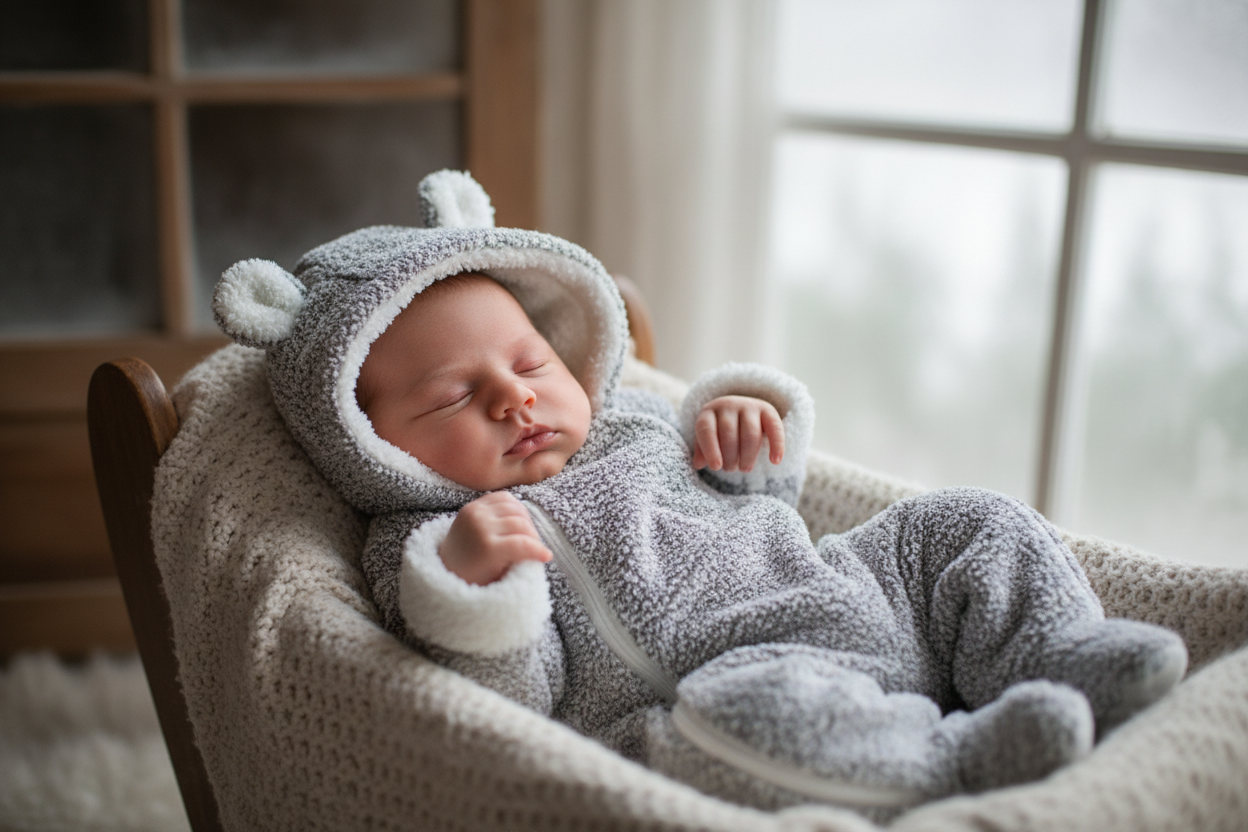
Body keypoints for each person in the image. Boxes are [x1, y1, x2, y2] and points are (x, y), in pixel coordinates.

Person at [212, 170, 1188, 818]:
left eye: (528, 360)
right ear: (368, 441)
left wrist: (747, 447)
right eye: (457, 396)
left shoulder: (633, 418)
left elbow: (761, 515)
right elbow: (510, 708)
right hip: (725, 676)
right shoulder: (435, 541)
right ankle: (960, 762)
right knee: (734, 730)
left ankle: (1060, 650)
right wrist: (479, 594)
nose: (515, 395)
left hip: (844, 589)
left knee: (961, 521)